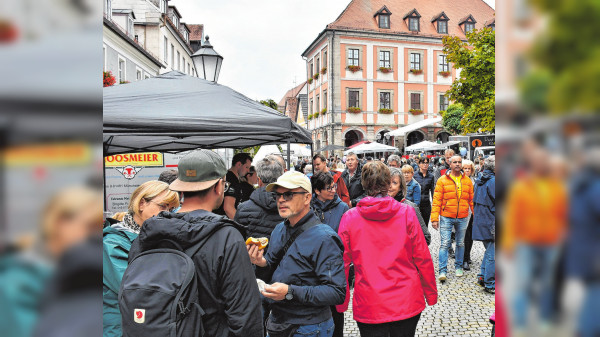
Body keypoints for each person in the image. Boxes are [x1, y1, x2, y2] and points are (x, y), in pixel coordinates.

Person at [129, 150, 263, 337]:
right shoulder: (226, 237)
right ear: (218, 186)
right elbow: (245, 315)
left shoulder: (150, 232)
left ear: (181, 189)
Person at [337, 161, 437, 337]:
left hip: (370, 300)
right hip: (405, 298)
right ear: (388, 183)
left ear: (363, 184)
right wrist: (430, 293)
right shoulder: (406, 213)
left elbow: (342, 263)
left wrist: (341, 302)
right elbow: (422, 257)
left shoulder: (350, 218)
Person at [248, 171, 346, 337]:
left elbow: (336, 292)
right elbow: (272, 267)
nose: (281, 200)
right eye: (277, 195)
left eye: (288, 194)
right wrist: (261, 263)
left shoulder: (324, 237)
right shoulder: (279, 229)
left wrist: (290, 292)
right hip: (278, 321)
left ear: (307, 198)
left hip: (309, 327)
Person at [103, 181, 180, 337]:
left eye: (172, 209)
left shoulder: (159, 237)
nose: (168, 214)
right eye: (163, 206)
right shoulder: (112, 243)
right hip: (121, 327)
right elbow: (135, 292)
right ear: (142, 203)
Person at [310, 171, 349, 337]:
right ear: (317, 191)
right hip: (312, 265)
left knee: (336, 309)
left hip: (335, 265)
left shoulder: (343, 208)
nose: (333, 190)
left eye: (333, 186)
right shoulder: (309, 207)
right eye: (328, 188)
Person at [431, 155, 474, 282]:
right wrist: (434, 218)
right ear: (450, 164)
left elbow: (471, 199)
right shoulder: (442, 180)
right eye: (454, 162)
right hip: (446, 216)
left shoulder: (467, 181)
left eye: (459, 162)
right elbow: (436, 200)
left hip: (462, 216)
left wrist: (476, 215)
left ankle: (458, 266)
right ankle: (442, 270)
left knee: (460, 243)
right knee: (445, 244)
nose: (457, 164)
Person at [235, 158, 284, 250]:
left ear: (259, 181)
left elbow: (237, 242)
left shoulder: (243, 209)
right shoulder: (292, 206)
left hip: (253, 260)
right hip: (285, 262)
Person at [388, 167, 431, 245]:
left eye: (394, 183)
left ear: (401, 187)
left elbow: (425, 237)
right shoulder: (379, 206)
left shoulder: (410, 207)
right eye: (387, 182)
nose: (389, 186)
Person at [472, 156, 495, 294]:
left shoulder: (480, 179)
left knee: (490, 251)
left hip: (482, 221)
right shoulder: (493, 181)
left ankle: (482, 276)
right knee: (494, 254)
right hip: (492, 222)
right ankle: (490, 282)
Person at [215, 152, 253, 219]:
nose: (248, 171)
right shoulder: (232, 180)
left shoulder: (227, 176)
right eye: (246, 167)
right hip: (224, 222)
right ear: (239, 164)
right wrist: (240, 225)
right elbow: (228, 208)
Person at [461, 159, 476, 271]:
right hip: (461, 212)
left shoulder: (475, 181)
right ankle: (463, 258)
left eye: (469, 169)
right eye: (465, 168)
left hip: (472, 212)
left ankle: (467, 256)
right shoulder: (459, 180)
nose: (467, 170)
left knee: (469, 235)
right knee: (462, 236)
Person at [414, 156, 435, 225]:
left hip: (426, 204)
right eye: (423, 163)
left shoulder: (431, 176)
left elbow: (432, 191)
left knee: (425, 225)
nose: (425, 164)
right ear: (419, 164)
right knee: (416, 225)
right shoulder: (414, 175)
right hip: (416, 204)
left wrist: (435, 204)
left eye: (427, 163)